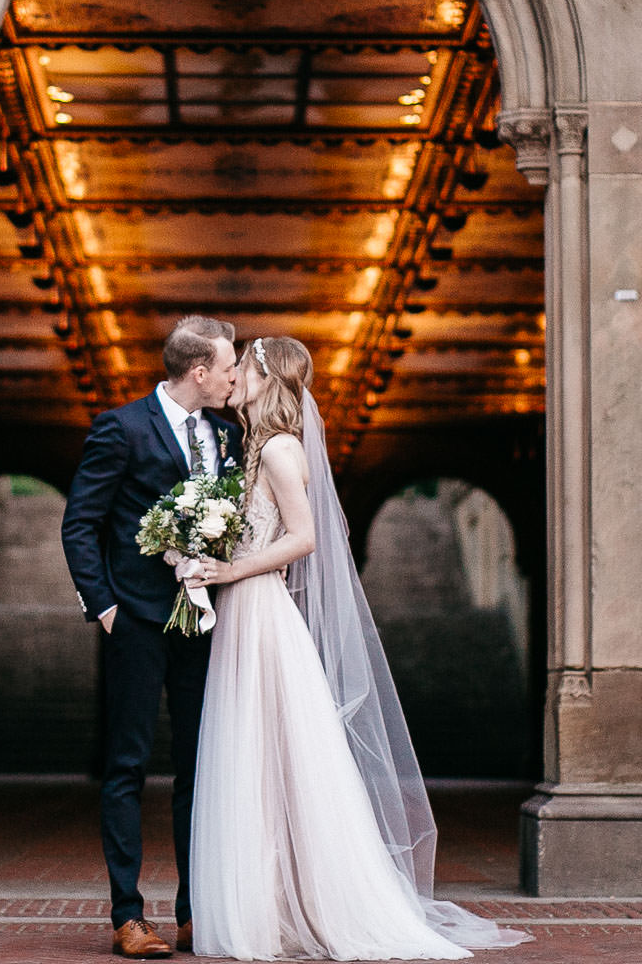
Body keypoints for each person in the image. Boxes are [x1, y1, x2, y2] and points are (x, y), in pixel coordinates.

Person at [184, 336, 530, 961]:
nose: (235, 377)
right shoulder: (255, 446)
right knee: (253, 759)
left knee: (270, 755)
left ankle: (297, 907)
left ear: (268, 378)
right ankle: (265, 905)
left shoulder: (281, 449)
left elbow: (305, 538)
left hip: (261, 612)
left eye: (246, 367)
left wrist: (232, 570)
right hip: (242, 611)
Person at [61, 315, 243, 960]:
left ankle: (194, 912)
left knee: (200, 766)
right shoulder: (121, 427)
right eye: (228, 368)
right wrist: (104, 606)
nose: (234, 378)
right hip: (135, 620)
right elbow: (80, 522)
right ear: (199, 371)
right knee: (127, 765)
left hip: (204, 622)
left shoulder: (227, 433)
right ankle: (129, 916)